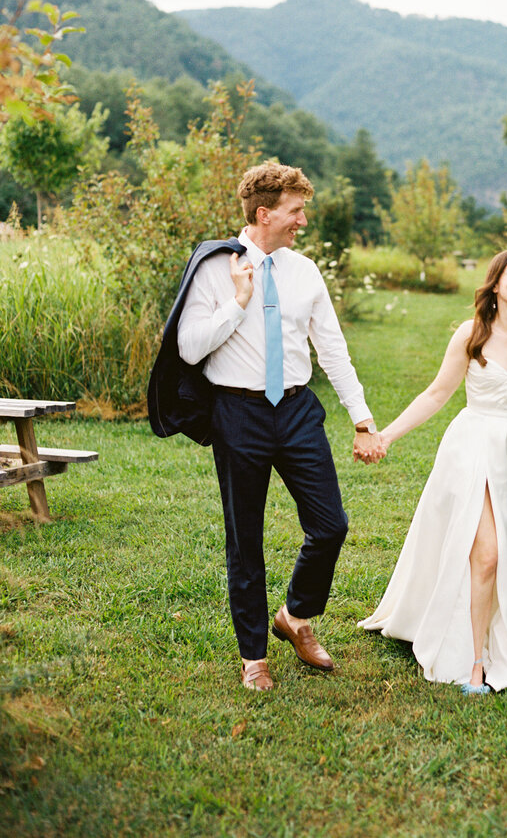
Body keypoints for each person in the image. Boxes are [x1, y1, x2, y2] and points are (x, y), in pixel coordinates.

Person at [171, 161, 385, 692]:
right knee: (246, 538)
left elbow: (332, 349)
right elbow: (188, 346)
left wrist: (362, 418)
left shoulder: (304, 271)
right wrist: (237, 302)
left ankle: (294, 615)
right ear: (264, 213)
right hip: (237, 413)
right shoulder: (214, 266)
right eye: (295, 211)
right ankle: (254, 657)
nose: (303, 221)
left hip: (295, 409)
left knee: (330, 524)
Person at [358, 249, 507, 693]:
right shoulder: (472, 332)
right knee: (487, 553)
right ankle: (476, 659)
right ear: (495, 284)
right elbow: (436, 394)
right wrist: (387, 435)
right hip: (475, 449)